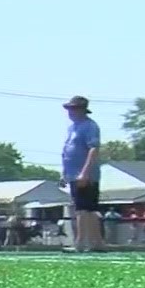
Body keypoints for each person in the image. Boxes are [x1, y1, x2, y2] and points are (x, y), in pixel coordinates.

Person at [61, 95, 103, 252]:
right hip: (72, 174)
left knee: (83, 209)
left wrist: (85, 173)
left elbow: (93, 149)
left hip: (85, 175)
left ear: (82, 110)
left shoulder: (90, 126)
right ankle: (97, 243)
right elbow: (67, 152)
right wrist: (64, 174)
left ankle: (80, 243)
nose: (70, 112)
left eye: (73, 109)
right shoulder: (72, 128)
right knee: (87, 209)